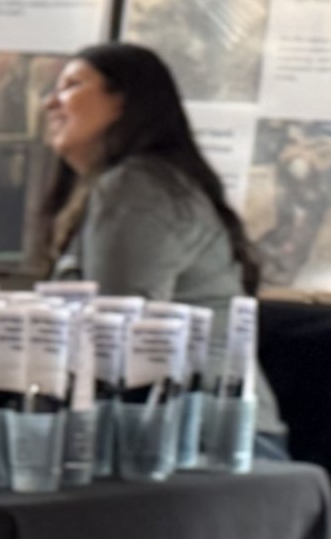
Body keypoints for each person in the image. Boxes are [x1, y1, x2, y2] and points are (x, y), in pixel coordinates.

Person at [33, 41, 285, 448]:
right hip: (191, 435)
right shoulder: (125, 185)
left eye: (72, 86)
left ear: (124, 103)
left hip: (203, 446)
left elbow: (121, 332)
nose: (50, 104)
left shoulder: (137, 187)